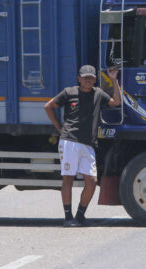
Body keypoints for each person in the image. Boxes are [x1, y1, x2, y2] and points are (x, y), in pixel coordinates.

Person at [44, 65, 121, 227]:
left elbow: (116, 102)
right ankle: (67, 217)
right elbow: (48, 106)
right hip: (69, 141)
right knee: (68, 179)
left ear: (94, 79)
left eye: (91, 78)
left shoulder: (98, 93)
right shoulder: (68, 92)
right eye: (85, 77)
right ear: (79, 78)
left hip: (88, 144)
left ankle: (80, 216)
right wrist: (59, 128)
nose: (88, 80)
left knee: (92, 181)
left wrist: (114, 80)